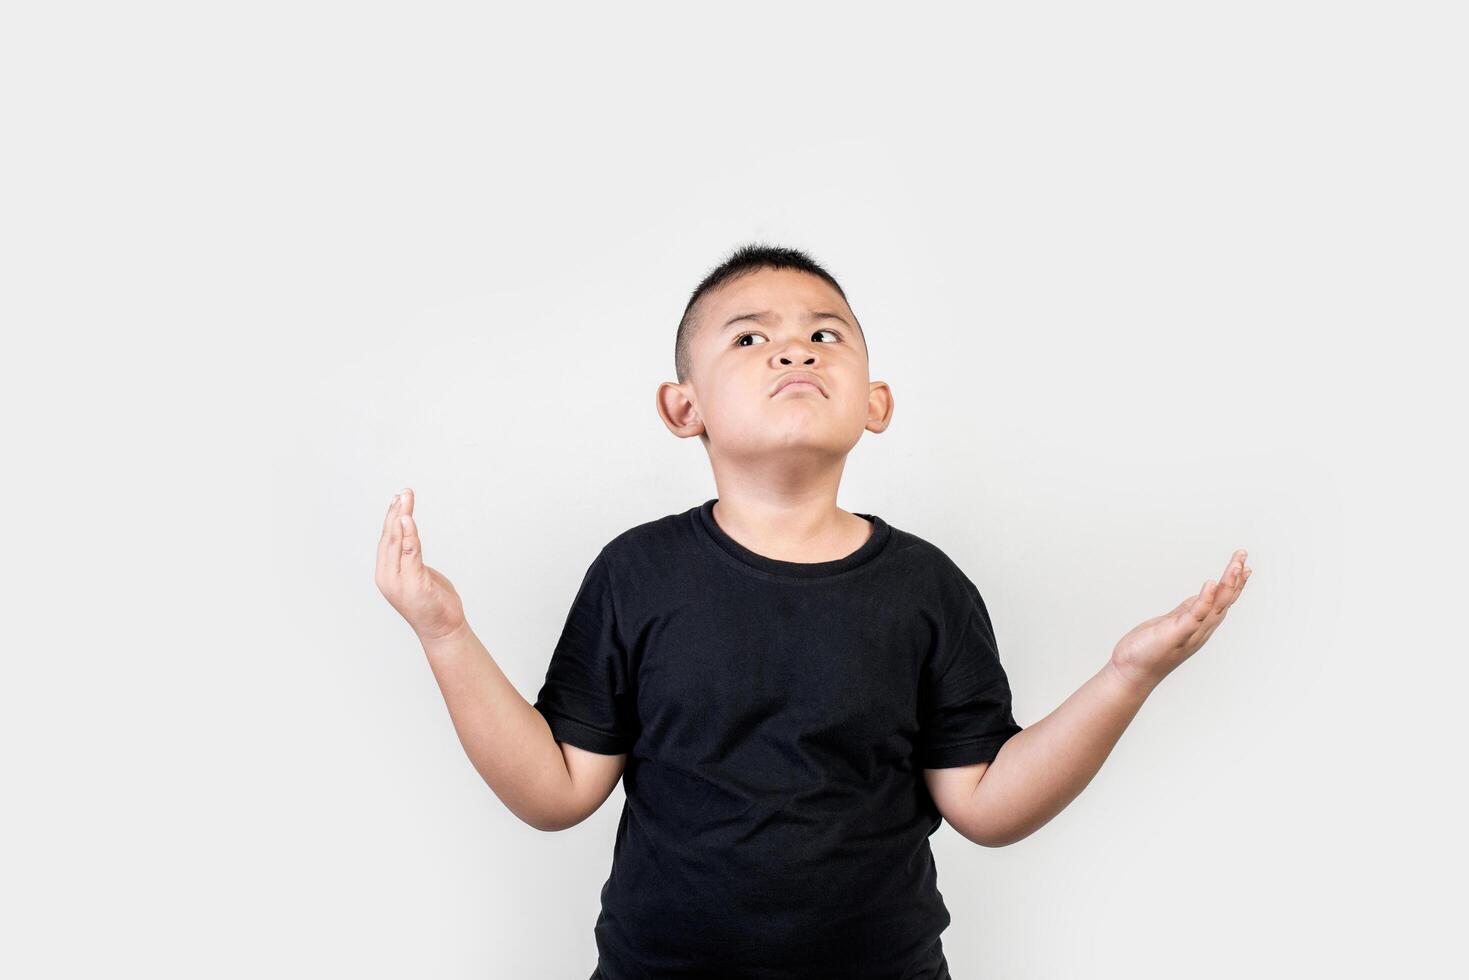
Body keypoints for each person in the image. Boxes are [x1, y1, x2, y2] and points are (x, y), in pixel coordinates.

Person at [373, 243, 1252, 979]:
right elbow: (556, 791)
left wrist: (1126, 676)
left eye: (823, 334)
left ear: (876, 402)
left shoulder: (927, 587)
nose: (795, 352)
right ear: (684, 407)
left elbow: (986, 807)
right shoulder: (635, 574)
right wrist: (443, 632)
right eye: (750, 337)